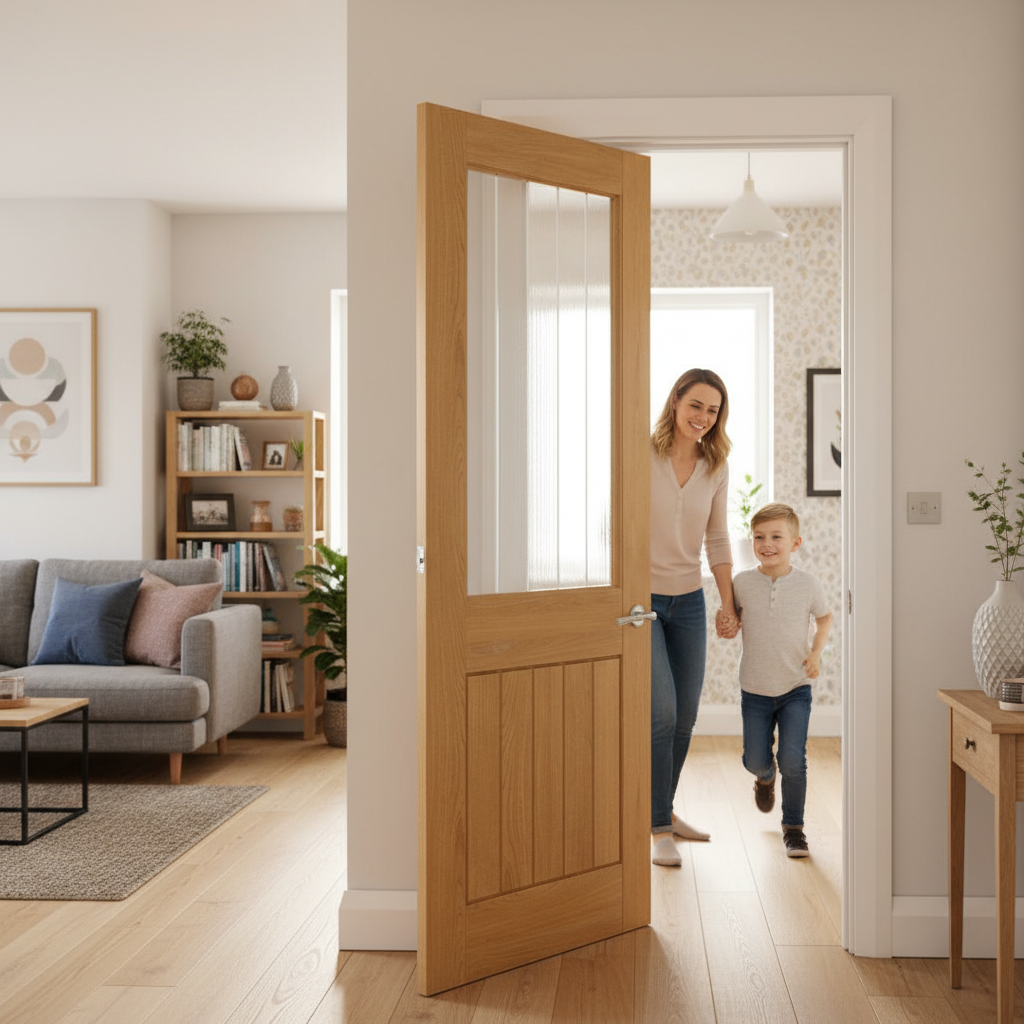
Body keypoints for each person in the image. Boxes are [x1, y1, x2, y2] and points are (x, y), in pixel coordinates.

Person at [649, 367, 739, 867]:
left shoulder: (716, 464)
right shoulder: (642, 452)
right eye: (696, 405)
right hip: (641, 603)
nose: (703, 417)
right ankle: (660, 826)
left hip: (688, 601)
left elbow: (718, 539)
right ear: (676, 401)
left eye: (713, 410)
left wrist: (727, 604)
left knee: (684, 718)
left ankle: (661, 811)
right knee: (660, 713)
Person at [727, 502, 833, 858]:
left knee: (793, 759)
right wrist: (725, 622)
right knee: (754, 759)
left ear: (795, 543)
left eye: (776, 536)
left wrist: (815, 654)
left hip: (795, 688)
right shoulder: (741, 583)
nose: (766, 543)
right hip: (755, 688)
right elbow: (730, 619)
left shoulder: (808, 585)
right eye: (759, 536)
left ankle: (794, 829)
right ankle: (764, 777)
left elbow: (825, 619)